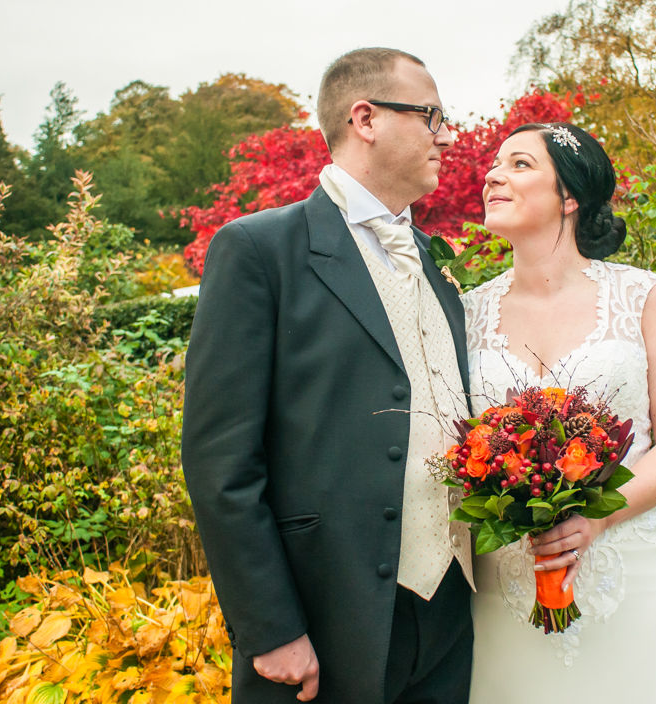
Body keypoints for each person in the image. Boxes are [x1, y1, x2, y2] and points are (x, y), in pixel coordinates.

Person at [181, 47, 476, 704]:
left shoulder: (434, 259)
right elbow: (220, 461)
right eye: (431, 116)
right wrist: (270, 628)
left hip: (453, 610)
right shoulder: (259, 249)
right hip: (328, 617)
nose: (447, 136)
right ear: (365, 119)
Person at [463, 122, 656, 701]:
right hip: (508, 578)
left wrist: (599, 519)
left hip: (629, 567)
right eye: (496, 164)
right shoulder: (466, 312)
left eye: (520, 164)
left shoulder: (644, 296)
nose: (494, 176)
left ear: (570, 196)